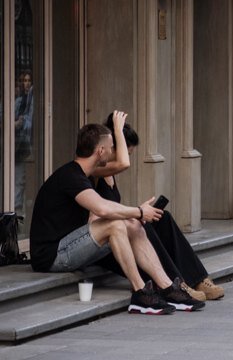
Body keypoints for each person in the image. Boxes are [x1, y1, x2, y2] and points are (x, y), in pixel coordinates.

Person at [29, 115, 203, 315]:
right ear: (100, 151)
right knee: (116, 224)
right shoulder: (70, 176)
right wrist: (139, 211)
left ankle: (166, 286)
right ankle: (140, 292)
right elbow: (102, 209)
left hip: (70, 246)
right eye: (111, 147)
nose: (113, 152)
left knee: (131, 223)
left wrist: (136, 215)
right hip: (51, 256)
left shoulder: (83, 174)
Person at [94, 113, 224, 302]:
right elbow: (123, 163)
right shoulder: (96, 170)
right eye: (126, 150)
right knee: (141, 225)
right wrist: (117, 129)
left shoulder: (110, 175)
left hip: (118, 231)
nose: (127, 156)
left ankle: (198, 279)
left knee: (162, 217)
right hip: (105, 242)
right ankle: (175, 284)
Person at [14, 71, 34, 216]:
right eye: (24, 81)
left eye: (28, 80)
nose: (26, 84)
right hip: (18, 145)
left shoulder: (32, 99)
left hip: (26, 145)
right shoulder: (19, 100)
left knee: (22, 182)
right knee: (18, 181)